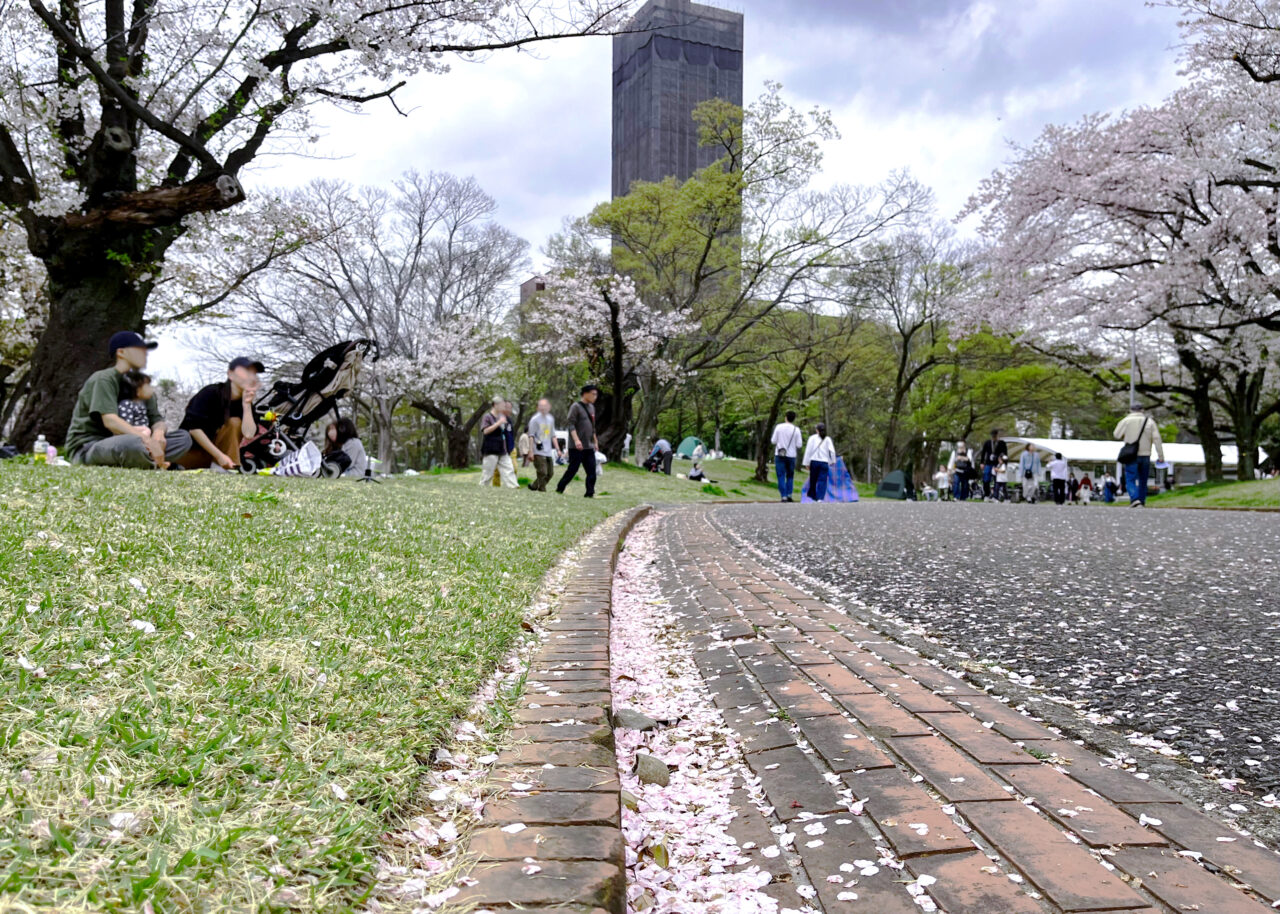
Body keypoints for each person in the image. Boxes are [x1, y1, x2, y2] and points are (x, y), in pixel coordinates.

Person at [65, 331, 192, 468]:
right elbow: (110, 421)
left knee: (183, 438)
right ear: (121, 353)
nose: (145, 354)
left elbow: (157, 420)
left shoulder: (141, 385)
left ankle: (147, 461)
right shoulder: (104, 379)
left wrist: (158, 435)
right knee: (133, 444)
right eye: (139, 350)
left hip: (136, 443)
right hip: (91, 446)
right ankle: (156, 463)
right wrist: (148, 441)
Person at [177, 356, 263, 470]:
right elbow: (194, 429)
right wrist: (219, 456)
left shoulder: (246, 402)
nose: (251, 377)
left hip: (220, 460)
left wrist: (247, 406)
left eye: (254, 373)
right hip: (191, 452)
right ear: (230, 374)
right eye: (246, 372)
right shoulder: (211, 392)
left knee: (235, 422)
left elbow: (249, 434)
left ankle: (224, 469)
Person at [1113, 408, 1165, 507]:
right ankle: (1142, 500)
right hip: (1146, 454)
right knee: (1143, 479)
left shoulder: (1125, 421)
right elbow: (1157, 438)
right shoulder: (1150, 422)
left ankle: (1134, 498)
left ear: (1131, 410)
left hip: (1131, 454)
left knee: (1130, 478)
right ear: (1142, 410)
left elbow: (1116, 434)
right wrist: (1160, 456)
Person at [556, 384, 600, 498]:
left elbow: (593, 426)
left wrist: (595, 442)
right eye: (593, 394)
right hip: (576, 446)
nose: (595, 397)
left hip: (589, 446)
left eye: (596, 394)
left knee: (592, 471)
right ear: (585, 394)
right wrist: (576, 440)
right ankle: (560, 488)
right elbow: (571, 424)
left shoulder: (592, 408)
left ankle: (589, 493)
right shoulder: (575, 407)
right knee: (573, 469)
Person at [478, 396, 518, 488]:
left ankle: (514, 487)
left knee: (509, 469)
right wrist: (498, 423)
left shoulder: (502, 417)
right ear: (495, 405)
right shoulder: (487, 417)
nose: (504, 408)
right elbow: (485, 431)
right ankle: (482, 488)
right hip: (491, 449)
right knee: (488, 473)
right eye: (502, 406)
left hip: (502, 449)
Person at [527, 399, 562, 492]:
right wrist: (530, 451)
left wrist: (558, 449)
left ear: (549, 407)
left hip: (548, 450)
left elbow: (553, 435)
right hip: (537, 450)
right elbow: (531, 436)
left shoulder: (550, 419)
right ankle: (541, 488)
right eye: (541, 406)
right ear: (537, 407)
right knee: (542, 471)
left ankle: (535, 486)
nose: (543, 408)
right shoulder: (534, 420)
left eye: (545, 406)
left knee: (550, 473)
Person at [771, 410, 804, 502]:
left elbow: (773, 441)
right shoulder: (796, 429)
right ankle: (789, 494)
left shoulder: (779, 427)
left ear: (786, 417)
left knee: (781, 475)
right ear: (794, 419)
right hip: (791, 455)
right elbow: (799, 445)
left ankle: (783, 495)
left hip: (780, 454)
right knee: (790, 476)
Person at [802, 422, 837, 502]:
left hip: (814, 462)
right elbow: (832, 451)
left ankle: (813, 495)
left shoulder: (812, 438)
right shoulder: (827, 439)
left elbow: (808, 451)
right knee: (822, 480)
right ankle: (820, 497)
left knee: (813, 479)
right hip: (824, 462)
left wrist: (806, 463)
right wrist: (832, 461)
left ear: (817, 430)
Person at [978, 429, 1008, 499]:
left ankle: (995, 495)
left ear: (998, 435)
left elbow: (1005, 454)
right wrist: (982, 462)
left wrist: (1004, 464)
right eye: (993, 436)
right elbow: (983, 453)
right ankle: (987, 494)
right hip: (988, 463)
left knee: (996, 480)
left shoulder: (1002, 443)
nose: (994, 438)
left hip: (997, 464)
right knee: (986, 478)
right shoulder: (987, 443)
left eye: (995, 436)